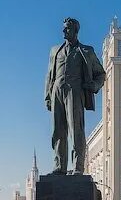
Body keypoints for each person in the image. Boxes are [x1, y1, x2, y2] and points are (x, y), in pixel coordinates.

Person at [45, 17, 107, 174]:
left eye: (67, 28)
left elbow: (101, 74)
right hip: (57, 91)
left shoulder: (86, 51)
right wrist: (47, 95)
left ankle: (78, 167)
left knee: (76, 129)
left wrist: (94, 85)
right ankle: (59, 166)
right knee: (58, 130)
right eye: (64, 28)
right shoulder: (55, 51)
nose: (64, 31)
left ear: (75, 31)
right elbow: (49, 75)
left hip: (75, 91)